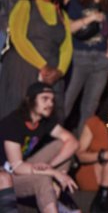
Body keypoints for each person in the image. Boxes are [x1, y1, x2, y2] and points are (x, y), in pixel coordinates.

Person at [0, 0, 72, 120]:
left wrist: (59, 71)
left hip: (52, 76)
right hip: (23, 69)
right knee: (18, 116)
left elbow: (67, 47)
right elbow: (18, 38)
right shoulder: (24, 5)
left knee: (51, 122)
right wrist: (42, 66)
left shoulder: (62, 14)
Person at [0, 82, 79, 213]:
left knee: (62, 145)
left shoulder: (44, 121)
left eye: (52, 100)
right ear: (30, 100)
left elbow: (73, 142)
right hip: (6, 173)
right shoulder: (13, 123)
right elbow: (17, 166)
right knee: (43, 178)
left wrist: (50, 167)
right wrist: (53, 173)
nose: (50, 104)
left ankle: (55, 193)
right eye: (45, 99)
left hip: (21, 169)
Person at [64, 0, 108, 132]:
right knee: (66, 102)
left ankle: (79, 150)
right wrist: (89, 18)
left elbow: (107, 32)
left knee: (90, 107)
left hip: (101, 59)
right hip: (80, 55)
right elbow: (69, 28)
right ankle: (49, 144)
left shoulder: (107, 4)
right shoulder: (78, 2)